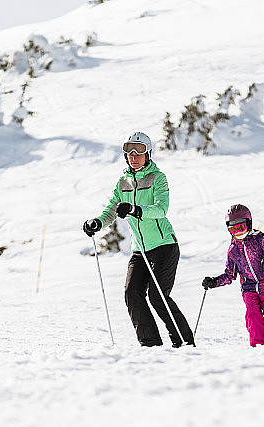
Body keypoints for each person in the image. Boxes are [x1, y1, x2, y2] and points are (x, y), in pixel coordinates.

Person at [82, 132, 195, 348]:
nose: (134, 156)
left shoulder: (157, 178)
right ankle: (150, 344)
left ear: (148, 154)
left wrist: (135, 209)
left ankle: (184, 342)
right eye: (129, 151)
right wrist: (97, 222)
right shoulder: (123, 182)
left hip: (164, 245)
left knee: (158, 296)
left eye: (139, 151)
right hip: (140, 249)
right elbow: (112, 210)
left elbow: (161, 209)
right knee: (131, 292)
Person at [202, 204, 264, 347]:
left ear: (249, 224)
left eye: (241, 227)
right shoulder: (233, 250)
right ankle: (260, 346)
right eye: (233, 229)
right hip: (248, 289)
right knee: (253, 315)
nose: (238, 232)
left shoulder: (261, 241)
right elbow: (230, 275)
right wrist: (214, 282)